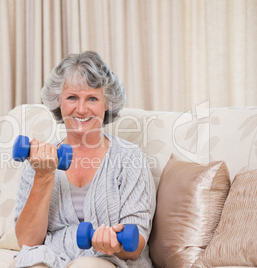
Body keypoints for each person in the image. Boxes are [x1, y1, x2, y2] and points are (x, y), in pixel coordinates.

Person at [10, 51, 156, 268]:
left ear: (107, 104)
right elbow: (28, 242)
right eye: (72, 97)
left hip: (109, 260)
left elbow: (136, 246)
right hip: (53, 255)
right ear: (58, 101)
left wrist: (114, 244)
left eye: (92, 98)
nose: (81, 109)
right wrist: (43, 176)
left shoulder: (129, 157)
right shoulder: (40, 159)